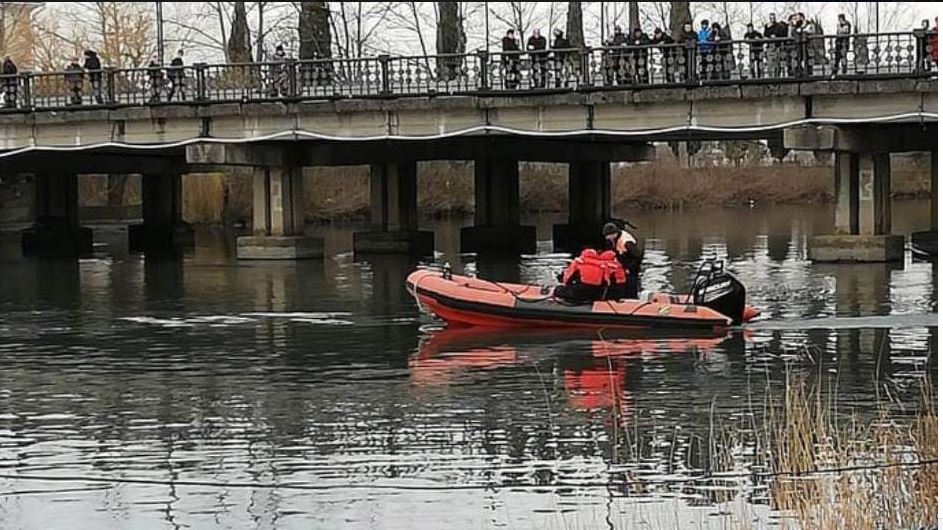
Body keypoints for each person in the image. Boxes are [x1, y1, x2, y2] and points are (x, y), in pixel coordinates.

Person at [603, 221, 642, 299]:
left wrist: (629, 268)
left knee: (630, 286)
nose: (607, 238)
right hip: (623, 264)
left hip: (631, 267)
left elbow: (637, 256)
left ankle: (631, 300)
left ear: (614, 234)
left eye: (607, 236)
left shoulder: (627, 242)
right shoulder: (616, 238)